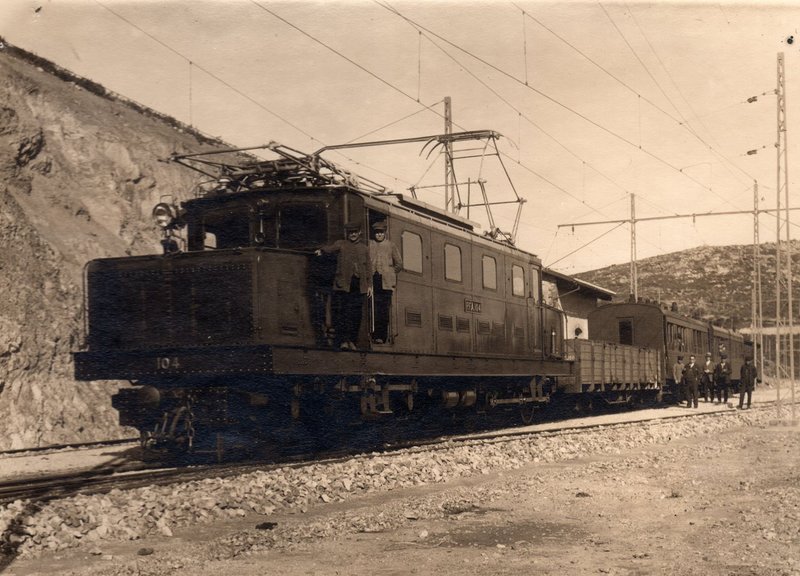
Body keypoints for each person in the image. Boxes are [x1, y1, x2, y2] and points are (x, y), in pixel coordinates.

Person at [315, 222, 371, 351]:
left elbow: (368, 268)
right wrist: (320, 250)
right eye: (350, 232)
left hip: (359, 285)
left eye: (355, 232)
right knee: (343, 314)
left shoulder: (364, 248)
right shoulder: (341, 244)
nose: (353, 235)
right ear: (347, 233)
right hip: (344, 285)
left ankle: (352, 341)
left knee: (356, 315)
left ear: (359, 233)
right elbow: (329, 249)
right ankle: (343, 341)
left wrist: (370, 286)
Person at [368, 220, 403, 344]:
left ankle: (381, 336)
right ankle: (371, 335)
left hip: (386, 282)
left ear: (385, 233)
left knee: (383, 310)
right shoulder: (370, 244)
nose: (379, 235)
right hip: (373, 280)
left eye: (381, 232)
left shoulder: (391, 245)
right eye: (377, 232)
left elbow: (399, 264)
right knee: (373, 308)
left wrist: (390, 272)